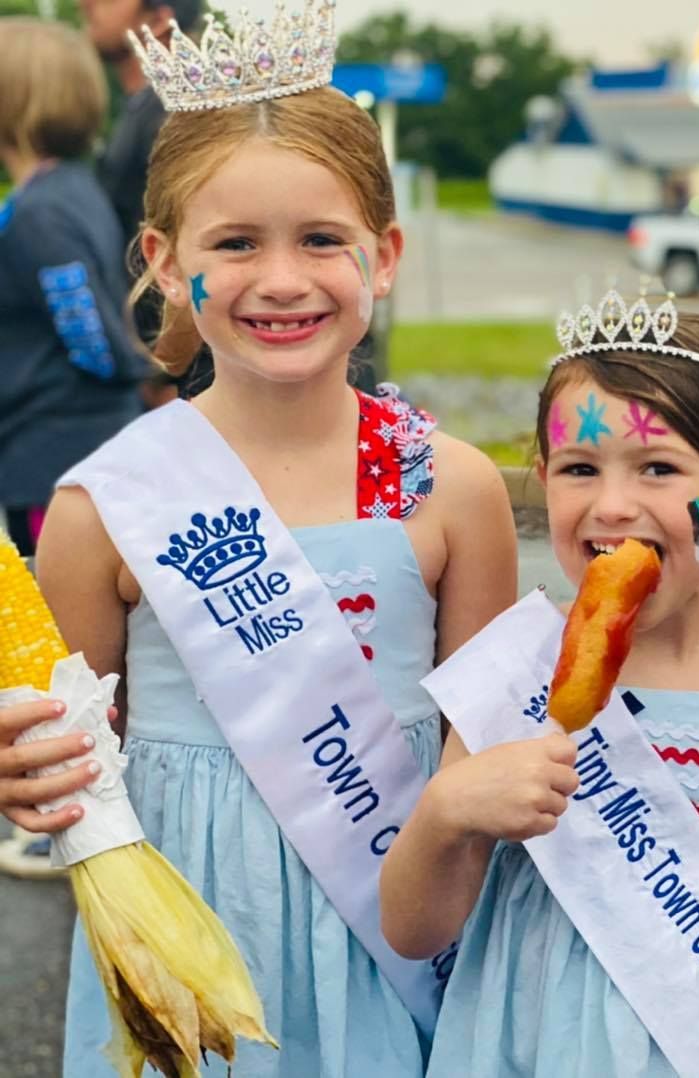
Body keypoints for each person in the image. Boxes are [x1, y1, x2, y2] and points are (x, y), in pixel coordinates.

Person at [0, 12, 517, 1075]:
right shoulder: (105, 507)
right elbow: (75, 758)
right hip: (192, 938)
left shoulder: (455, 492)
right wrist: (23, 768)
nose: (282, 280)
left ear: (384, 257)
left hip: (403, 931)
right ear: (163, 258)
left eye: (322, 240)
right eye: (235, 243)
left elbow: (488, 752)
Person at [379, 304, 699, 1075]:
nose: (612, 505)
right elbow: (415, 931)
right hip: (535, 1045)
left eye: (658, 468)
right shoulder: (510, 673)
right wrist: (447, 813)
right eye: (580, 468)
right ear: (542, 481)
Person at [0, 17, 147, 561]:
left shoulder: (42, 212)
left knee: (64, 632)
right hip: (59, 453)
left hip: (57, 456)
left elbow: (95, 339)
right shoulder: (68, 190)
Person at [80, 0, 205, 403]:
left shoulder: (176, 116)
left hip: (183, 386)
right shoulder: (142, 107)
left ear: (159, 18)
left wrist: (166, 375)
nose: (86, 4)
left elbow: (193, 252)